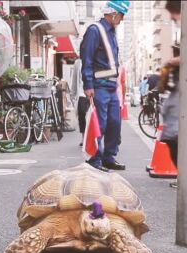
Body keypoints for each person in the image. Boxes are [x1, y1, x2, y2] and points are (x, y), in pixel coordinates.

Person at [80, 0, 130, 172]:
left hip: (111, 87)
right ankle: (95, 160)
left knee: (115, 123)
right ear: (114, 13)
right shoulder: (95, 31)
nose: (122, 19)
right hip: (99, 87)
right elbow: (86, 60)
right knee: (99, 124)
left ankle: (109, 157)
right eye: (122, 15)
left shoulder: (112, 32)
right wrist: (88, 85)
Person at [159, 1, 181, 169]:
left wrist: (175, 61)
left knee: (175, 142)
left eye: (174, 12)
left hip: (181, 100)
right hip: (177, 97)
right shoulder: (182, 31)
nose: (173, 18)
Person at [70, 57, 89, 146]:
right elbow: (74, 79)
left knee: (92, 115)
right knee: (82, 114)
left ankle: (94, 136)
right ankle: (83, 136)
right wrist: (72, 94)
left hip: (93, 93)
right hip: (81, 93)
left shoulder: (94, 58)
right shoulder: (78, 62)